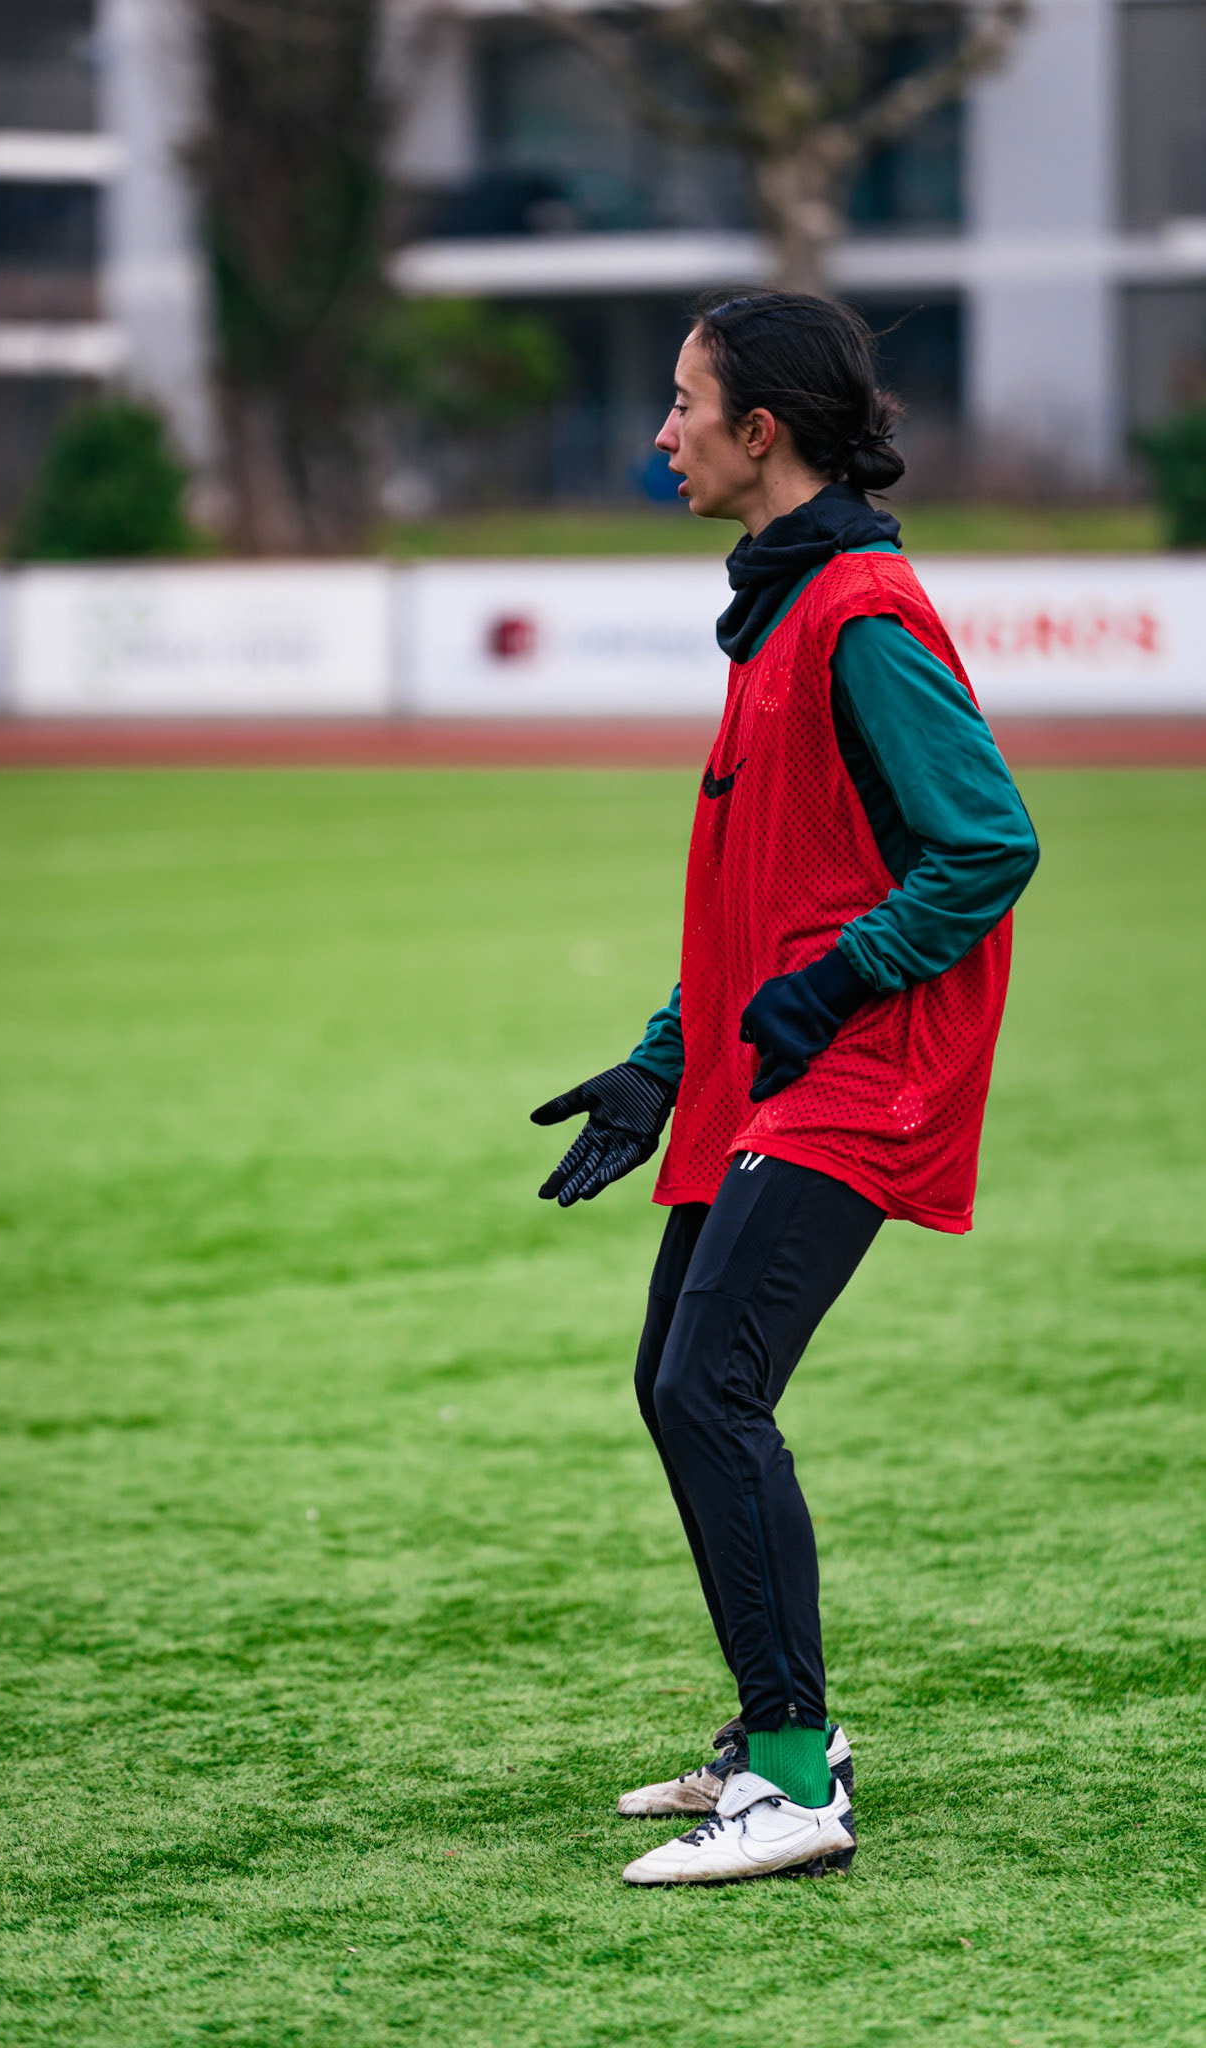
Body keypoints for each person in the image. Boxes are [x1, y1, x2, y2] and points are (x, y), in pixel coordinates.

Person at [531, 290, 1039, 1888]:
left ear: (763, 433)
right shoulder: (783, 612)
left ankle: (796, 1785)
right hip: (772, 1075)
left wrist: (826, 991)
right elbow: (770, 895)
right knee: (669, 1381)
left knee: (709, 1388)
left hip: (859, 1073)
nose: (657, 434)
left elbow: (987, 845)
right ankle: (768, 1737)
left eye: (681, 405)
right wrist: (660, 1064)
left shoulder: (858, 613)